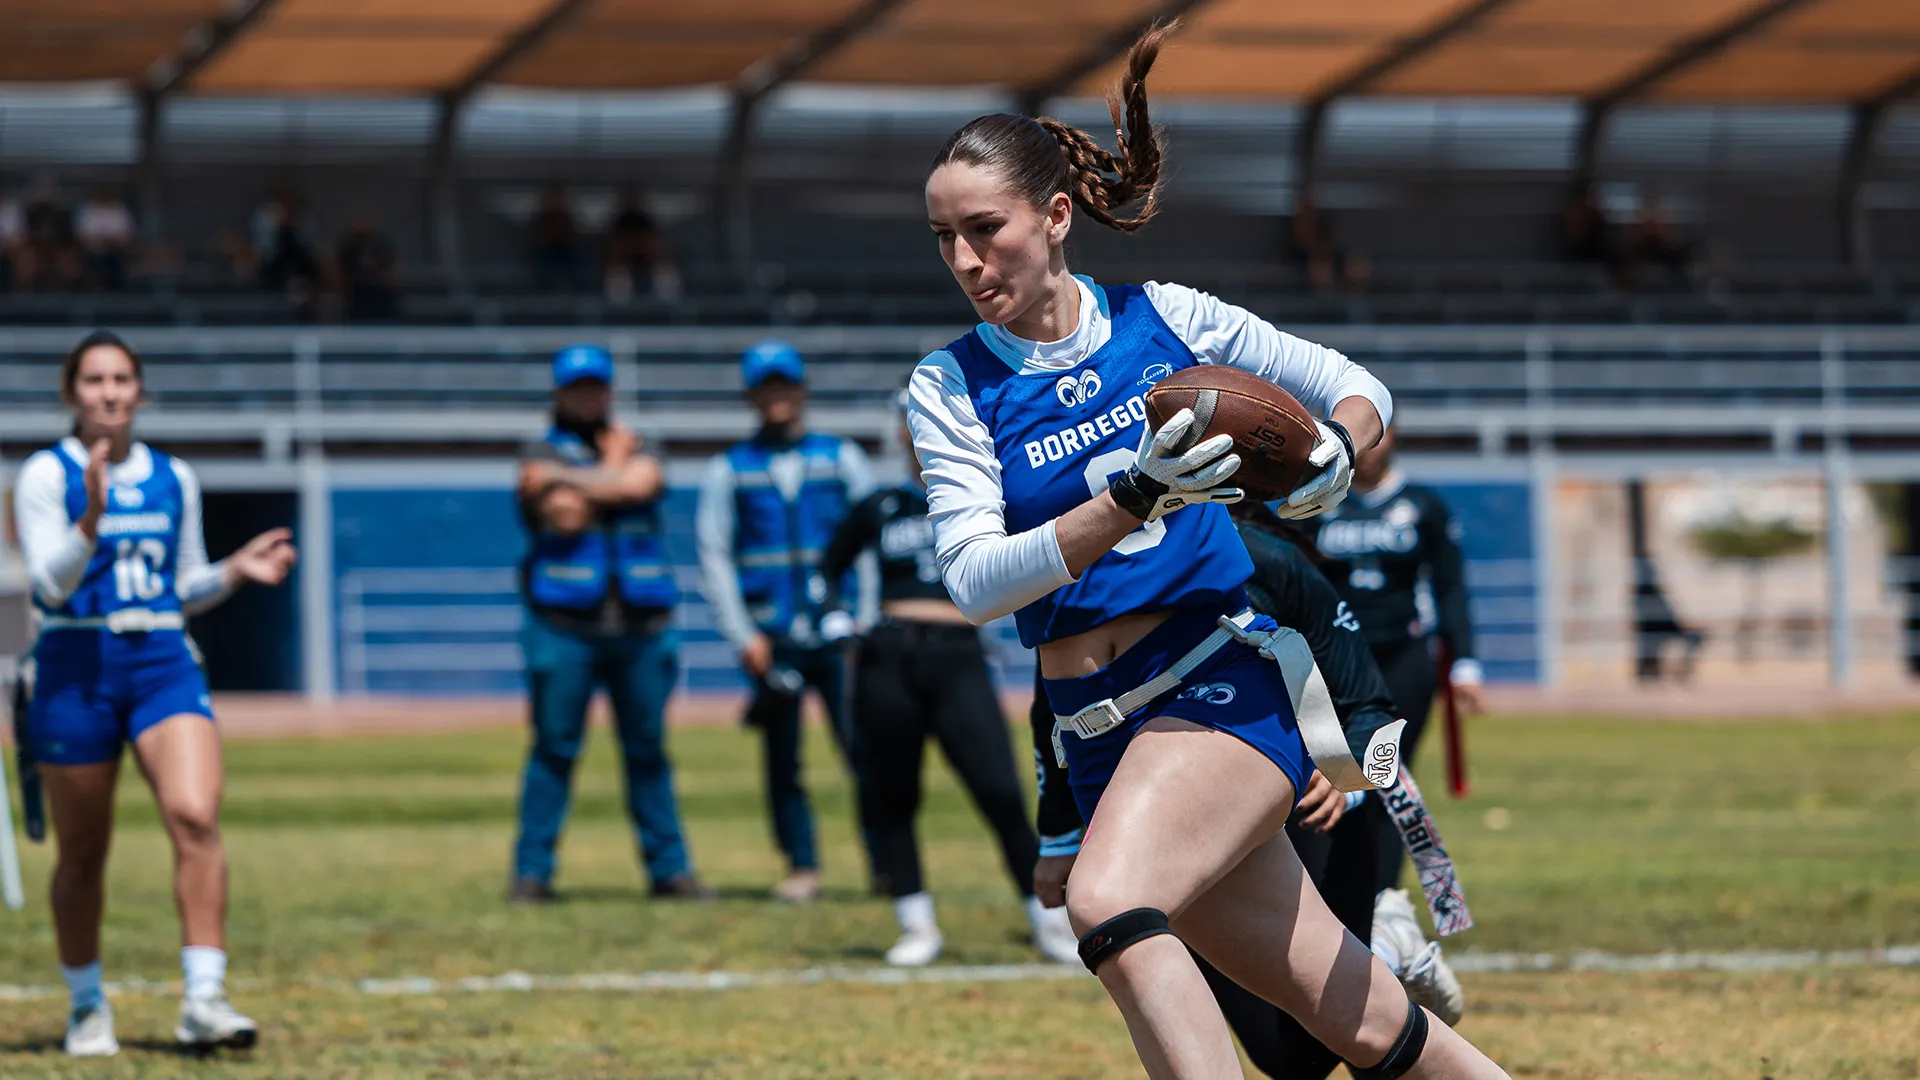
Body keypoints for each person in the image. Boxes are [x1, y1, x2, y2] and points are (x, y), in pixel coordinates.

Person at [908, 22, 1507, 1078]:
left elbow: (1357, 386)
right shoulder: (947, 385)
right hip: (1094, 736)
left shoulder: (1168, 319)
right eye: (943, 237)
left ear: (1053, 218)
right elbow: (973, 583)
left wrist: (1339, 459)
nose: (964, 259)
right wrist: (1136, 495)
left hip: (1214, 685)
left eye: (984, 228)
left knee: (1108, 899)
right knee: (1360, 1026)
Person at [1030, 502, 1466, 1080]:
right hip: (1177, 817)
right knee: (1287, 1059)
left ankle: (1382, 947)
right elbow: (1055, 712)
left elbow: (1371, 707)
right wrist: (1059, 835)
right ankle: (1382, 956)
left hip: (1305, 813)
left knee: (1320, 1049)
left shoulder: (1268, 560)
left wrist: (1348, 784)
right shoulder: (1093, 567)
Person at [13, 330, 298, 1056]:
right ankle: (86, 1006)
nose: (108, 392)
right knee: (83, 852)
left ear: (140, 390)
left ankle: (204, 997)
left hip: (162, 660)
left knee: (195, 815)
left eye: (121, 379)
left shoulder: (176, 476)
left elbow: (180, 587)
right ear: (71, 393)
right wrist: (90, 522)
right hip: (76, 664)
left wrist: (234, 572)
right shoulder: (47, 475)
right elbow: (50, 584)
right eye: (93, 380)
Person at [819, 387, 1078, 966]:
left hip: (958, 653)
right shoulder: (882, 504)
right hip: (887, 657)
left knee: (999, 790)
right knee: (891, 794)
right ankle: (915, 922)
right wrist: (835, 620)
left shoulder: (986, 499)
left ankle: (1048, 920)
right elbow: (826, 569)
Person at [509, 344, 710, 904]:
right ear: (558, 394)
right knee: (554, 749)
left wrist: (572, 478)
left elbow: (638, 488)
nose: (587, 397)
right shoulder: (539, 447)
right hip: (563, 626)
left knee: (648, 752)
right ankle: (532, 874)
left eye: (595, 387)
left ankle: (669, 871)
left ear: (610, 391)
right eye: (576, 388)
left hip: (641, 629)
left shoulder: (634, 447)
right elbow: (565, 514)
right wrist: (614, 471)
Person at [697, 340, 879, 903]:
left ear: (801, 390)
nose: (777, 397)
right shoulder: (729, 469)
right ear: (752, 397)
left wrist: (865, 620)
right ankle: (802, 866)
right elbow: (715, 555)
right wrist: (742, 635)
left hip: (837, 633)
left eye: (785, 384)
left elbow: (870, 543)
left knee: (866, 753)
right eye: (765, 387)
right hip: (770, 637)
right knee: (782, 760)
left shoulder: (840, 457)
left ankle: (887, 864)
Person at [1313, 425, 1483, 909]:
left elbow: (1450, 589)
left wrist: (1465, 664)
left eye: (1378, 437)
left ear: (1394, 439)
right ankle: (1331, 895)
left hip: (1402, 660)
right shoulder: (1316, 504)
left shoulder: (1423, 506)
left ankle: (1386, 898)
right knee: (1332, 777)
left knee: (1388, 774)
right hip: (1334, 663)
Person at [74, 188, 136, 292]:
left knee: (119, 263)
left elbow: (127, 235)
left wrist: (111, 242)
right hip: (92, 252)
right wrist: (100, 242)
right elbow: (83, 235)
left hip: (116, 252)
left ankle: (118, 290)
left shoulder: (119, 210)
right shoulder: (88, 210)